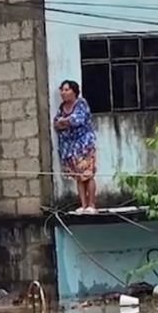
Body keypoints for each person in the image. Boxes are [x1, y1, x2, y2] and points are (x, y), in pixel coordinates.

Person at [54, 79, 98, 213]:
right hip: (70, 148)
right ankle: (83, 205)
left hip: (84, 146)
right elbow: (56, 124)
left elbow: (78, 120)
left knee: (87, 175)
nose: (63, 92)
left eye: (67, 90)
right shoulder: (62, 108)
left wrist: (65, 121)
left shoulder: (81, 103)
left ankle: (91, 205)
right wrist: (64, 122)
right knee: (78, 177)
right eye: (62, 90)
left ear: (74, 91)